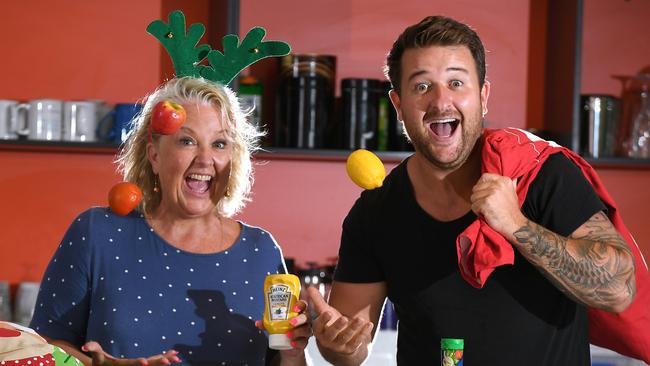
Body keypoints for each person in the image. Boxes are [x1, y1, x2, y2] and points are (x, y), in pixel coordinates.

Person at [308, 15, 637, 365]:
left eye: (456, 83)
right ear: (399, 105)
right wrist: (338, 345)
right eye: (421, 86)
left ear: (483, 96)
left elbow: (618, 290)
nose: (440, 102)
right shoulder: (375, 211)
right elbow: (350, 345)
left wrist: (516, 226)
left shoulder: (541, 174)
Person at [30, 77, 311, 366]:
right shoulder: (98, 233)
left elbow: (282, 358)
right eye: (187, 141)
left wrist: (293, 353)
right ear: (154, 155)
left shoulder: (261, 250)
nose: (205, 159)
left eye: (219, 143)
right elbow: (43, 345)